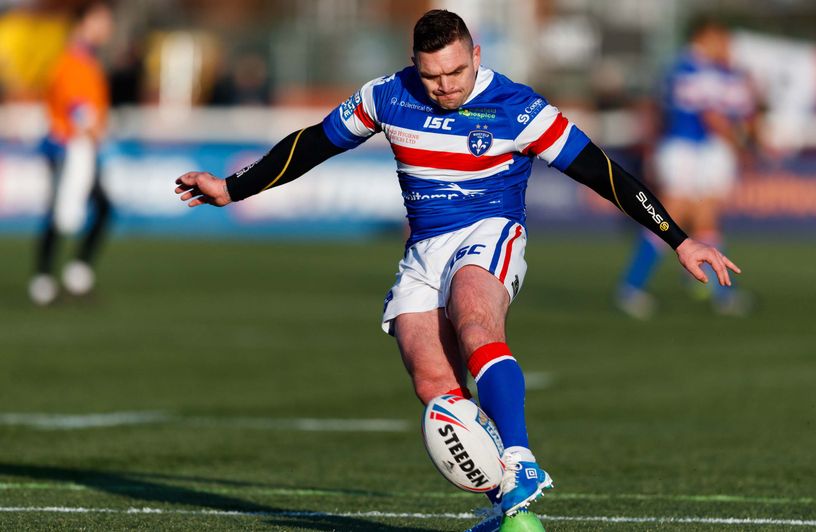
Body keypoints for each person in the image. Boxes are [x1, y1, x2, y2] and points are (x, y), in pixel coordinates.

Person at [174, 10, 739, 532]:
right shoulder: (386, 96)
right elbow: (314, 144)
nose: (444, 86)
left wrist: (679, 239)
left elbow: (601, 171)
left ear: (474, 53)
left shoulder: (519, 108)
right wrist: (233, 187)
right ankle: (511, 511)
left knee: (475, 318)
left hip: (490, 232)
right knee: (435, 390)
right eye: (431, 76)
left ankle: (520, 460)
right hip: (423, 251)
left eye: (454, 72)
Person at [616, 17, 754, 318]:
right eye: (721, 39)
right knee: (671, 217)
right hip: (686, 150)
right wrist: (740, 146)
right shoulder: (698, 70)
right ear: (706, 37)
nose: (726, 46)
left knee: (704, 217)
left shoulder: (679, 66)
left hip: (686, 149)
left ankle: (716, 290)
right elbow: (713, 117)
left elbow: (657, 108)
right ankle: (631, 286)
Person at [29, 0, 114, 306]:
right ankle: (45, 278)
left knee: (93, 207)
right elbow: (77, 107)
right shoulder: (74, 60)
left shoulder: (85, 59)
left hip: (79, 147)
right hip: (68, 146)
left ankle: (63, 276)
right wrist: (97, 133)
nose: (107, 28)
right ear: (85, 22)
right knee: (63, 210)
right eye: (101, 20)